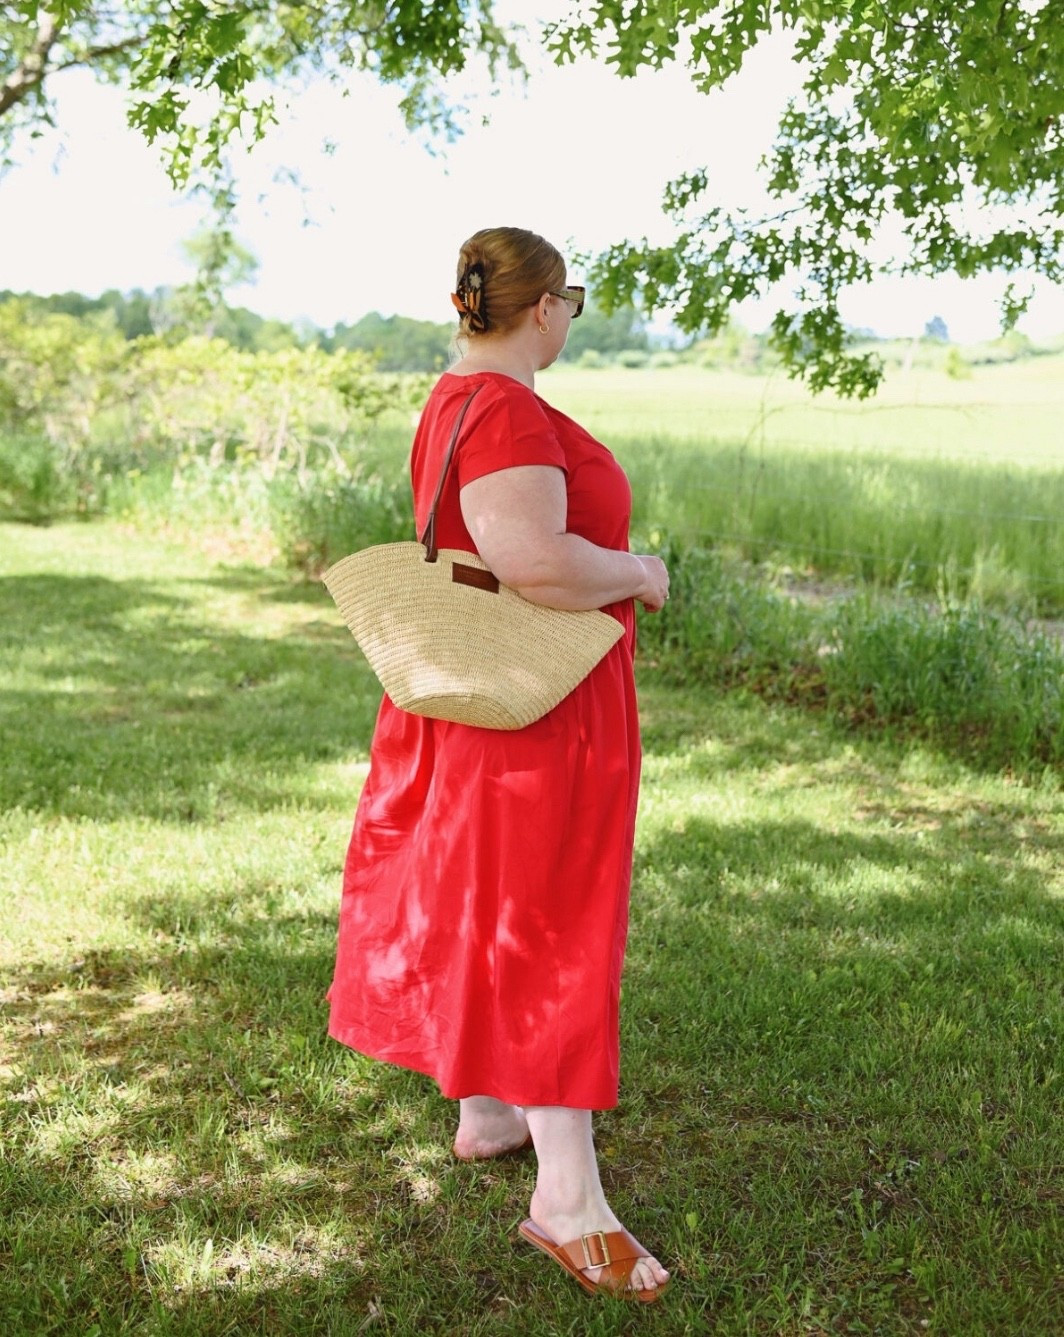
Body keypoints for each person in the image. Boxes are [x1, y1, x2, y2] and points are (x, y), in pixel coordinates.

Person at [327, 226, 671, 1302]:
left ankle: (486, 1108)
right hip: (541, 709)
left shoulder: (452, 400)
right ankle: (567, 1199)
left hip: (481, 704)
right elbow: (528, 561)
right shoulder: (514, 408)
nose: (571, 314)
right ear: (540, 310)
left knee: (491, 903)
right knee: (550, 925)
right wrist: (640, 571)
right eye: (569, 298)